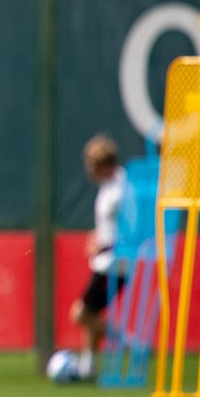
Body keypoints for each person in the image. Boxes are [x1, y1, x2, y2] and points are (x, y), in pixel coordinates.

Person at [68, 133, 126, 381]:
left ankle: (126, 342)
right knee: (91, 315)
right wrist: (98, 236)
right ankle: (87, 368)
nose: (88, 171)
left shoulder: (121, 189)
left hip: (114, 263)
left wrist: (104, 245)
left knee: (80, 314)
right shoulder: (109, 186)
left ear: (105, 164)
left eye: (92, 165)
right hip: (106, 260)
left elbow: (129, 229)